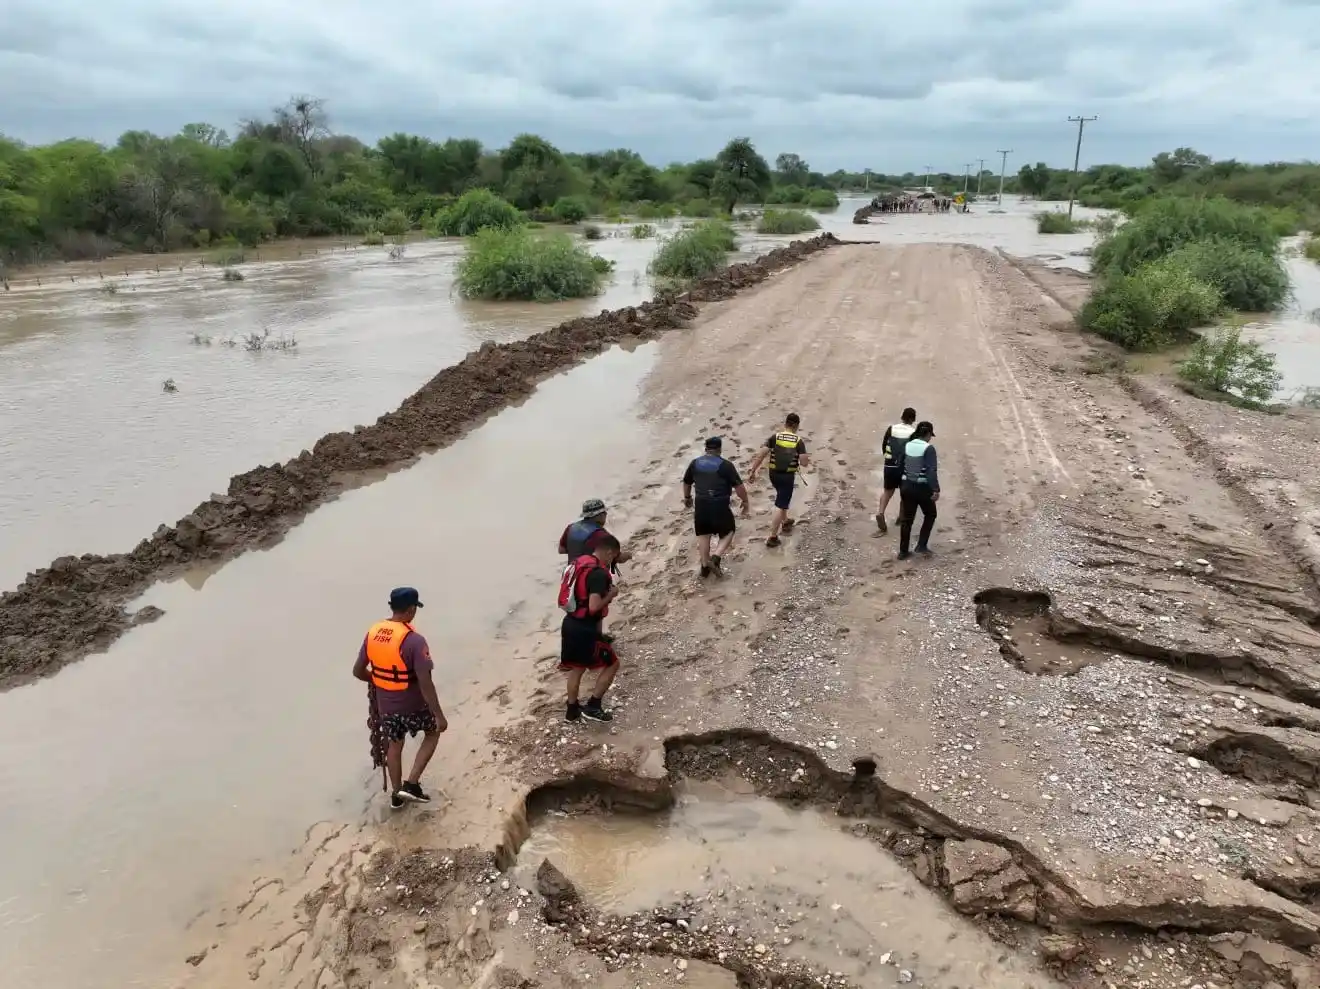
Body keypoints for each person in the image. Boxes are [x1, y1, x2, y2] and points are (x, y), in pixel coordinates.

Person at [353, 587, 448, 810]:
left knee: (394, 744)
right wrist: (439, 715)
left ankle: (396, 796)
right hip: (412, 705)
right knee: (433, 732)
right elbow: (426, 682)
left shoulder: (373, 633)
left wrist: (378, 680)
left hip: (386, 706)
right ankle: (411, 784)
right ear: (411, 609)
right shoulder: (415, 641)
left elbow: (358, 671)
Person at [558, 533, 623, 723]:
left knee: (576, 669)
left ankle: (572, 710)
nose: (613, 561)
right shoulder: (598, 573)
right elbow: (594, 606)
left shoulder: (578, 563)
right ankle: (593, 706)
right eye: (614, 556)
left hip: (569, 624)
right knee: (613, 664)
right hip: (585, 629)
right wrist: (611, 595)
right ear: (609, 552)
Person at [682, 436, 751, 577]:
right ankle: (716, 557)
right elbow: (739, 487)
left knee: (703, 535)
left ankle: (704, 567)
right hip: (719, 504)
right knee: (729, 531)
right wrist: (745, 501)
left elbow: (686, 482)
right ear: (719, 449)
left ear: (706, 448)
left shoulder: (695, 463)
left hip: (701, 504)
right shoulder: (725, 465)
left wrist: (687, 498)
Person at [748, 412, 809, 547]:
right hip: (787, 476)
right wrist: (801, 456)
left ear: (785, 423)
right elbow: (804, 463)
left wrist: (753, 470)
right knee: (781, 503)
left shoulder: (775, 437)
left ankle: (785, 520)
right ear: (796, 425)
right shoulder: (798, 441)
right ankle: (773, 536)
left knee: (782, 496)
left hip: (773, 474)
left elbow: (761, 455)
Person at [895, 421, 939, 560]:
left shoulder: (907, 445)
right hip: (922, 487)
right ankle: (921, 545)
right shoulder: (928, 448)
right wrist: (935, 489)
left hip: (906, 486)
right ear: (927, 434)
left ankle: (903, 551)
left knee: (906, 520)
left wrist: (901, 484)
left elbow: (899, 465)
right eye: (930, 435)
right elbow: (931, 471)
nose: (930, 438)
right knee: (930, 514)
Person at [876, 407, 917, 533]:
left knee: (888, 491)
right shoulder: (913, 432)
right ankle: (901, 517)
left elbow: (884, 445)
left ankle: (881, 512)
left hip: (890, 465)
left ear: (902, 417)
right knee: (905, 493)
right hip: (904, 467)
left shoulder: (891, 428)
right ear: (912, 419)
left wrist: (888, 461)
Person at [558, 498, 633, 564]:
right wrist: (630, 554)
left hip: (570, 575)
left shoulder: (571, 527)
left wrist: (579, 551)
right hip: (594, 575)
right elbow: (618, 558)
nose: (606, 514)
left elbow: (561, 550)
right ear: (599, 515)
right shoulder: (602, 535)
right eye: (604, 512)